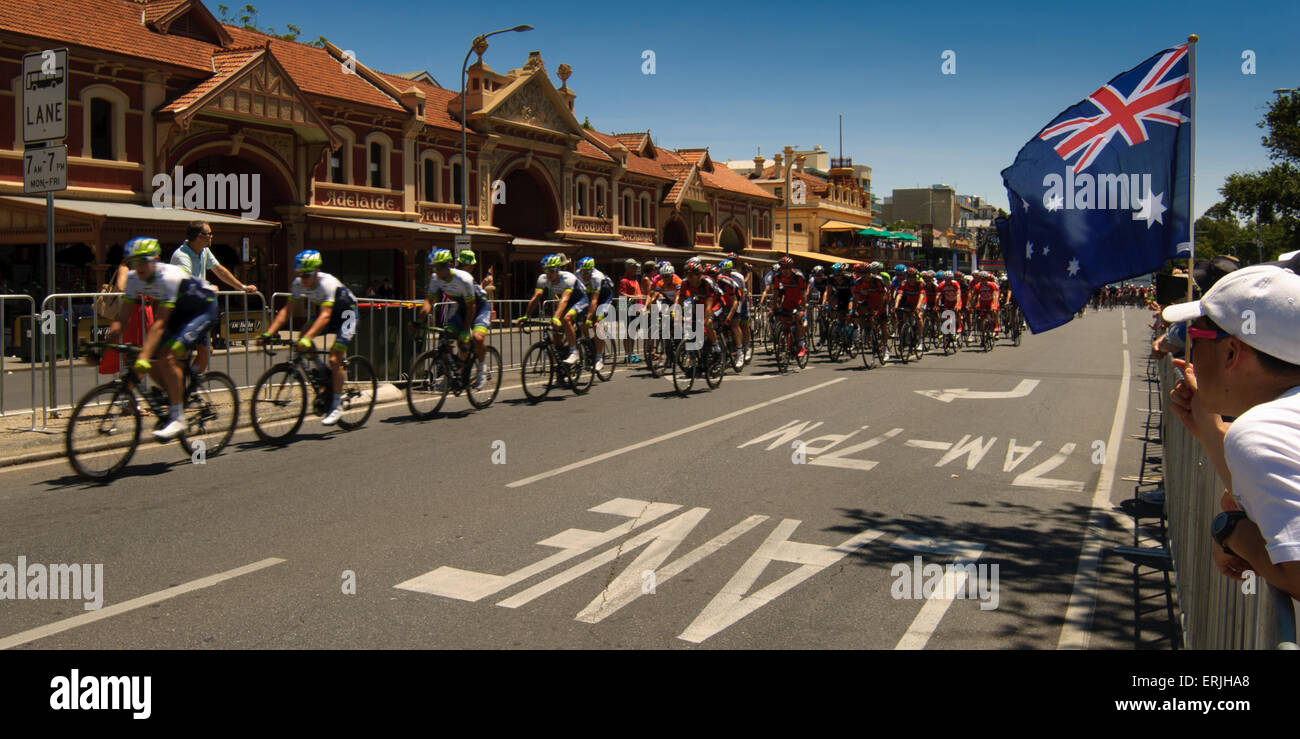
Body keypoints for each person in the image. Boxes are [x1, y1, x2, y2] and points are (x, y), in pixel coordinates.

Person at [1165, 264, 1300, 599]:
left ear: (1230, 352)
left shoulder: (1262, 431)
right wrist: (1209, 430)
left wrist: (1231, 531)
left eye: (1195, 338)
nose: (1189, 355)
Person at [108, 237, 219, 442]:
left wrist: (144, 353)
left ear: (156, 259)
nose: (138, 266)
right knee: (150, 359)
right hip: (179, 311)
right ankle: (175, 393)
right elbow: (122, 318)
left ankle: (178, 417)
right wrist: (108, 340)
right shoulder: (133, 279)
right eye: (133, 261)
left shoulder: (167, 277)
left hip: (202, 309)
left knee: (166, 355)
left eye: (143, 261)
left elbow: (159, 323)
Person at [260, 250, 358, 426]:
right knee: (303, 335)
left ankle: (336, 406)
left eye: (307, 275)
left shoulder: (327, 284)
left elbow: (326, 316)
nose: (303, 279)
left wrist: (308, 339)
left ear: (317, 271)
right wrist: (269, 332)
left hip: (347, 314)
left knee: (335, 358)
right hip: (327, 313)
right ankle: (321, 369)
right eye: (300, 274)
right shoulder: (298, 284)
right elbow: (287, 310)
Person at [169, 221, 257, 373]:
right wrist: (209, 287)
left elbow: (219, 270)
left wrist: (242, 287)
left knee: (205, 355)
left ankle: (189, 387)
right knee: (181, 356)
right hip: (182, 312)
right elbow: (188, 283)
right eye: (209, 233)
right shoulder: (181, 256)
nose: (212, 236)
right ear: (199, 236)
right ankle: (177, 390)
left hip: (198, 311)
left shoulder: (204, 251)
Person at [417, 249, 491, 389]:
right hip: (462, 307)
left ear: (448, 265)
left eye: (439, 267)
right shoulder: (435, 278)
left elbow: (472, 307)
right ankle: (449, 376)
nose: (436, 271)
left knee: (477, 337)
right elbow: (428, 301)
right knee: (446, 338)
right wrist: (418, 321)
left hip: (479, 306)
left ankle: (481, 369)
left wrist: (464, 331)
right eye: (433, 268)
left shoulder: (463, 278)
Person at [516, 254, 586, 365]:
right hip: (567, 302)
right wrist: (526, 315)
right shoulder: (543, 279)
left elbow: (565, 299)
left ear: (558, 269)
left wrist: (556, 317)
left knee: (566, 319)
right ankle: (562, 365)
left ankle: (574, 352)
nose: (548, 274)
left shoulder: (568, 278)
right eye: (546, 271)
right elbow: (536, 297)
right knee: (556, 336)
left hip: (581, 300)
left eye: (552, 271)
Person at [618, 259, 643, 363]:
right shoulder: (624, 280)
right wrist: (635, 297)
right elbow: (621, 294)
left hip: (636, 310)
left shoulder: (635, 279)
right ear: (628, 268)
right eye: (634, 267)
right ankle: (628, 355)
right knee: (627, 333)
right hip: (627, 310)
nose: (636, 269)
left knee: (632, 333)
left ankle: (631, 353)